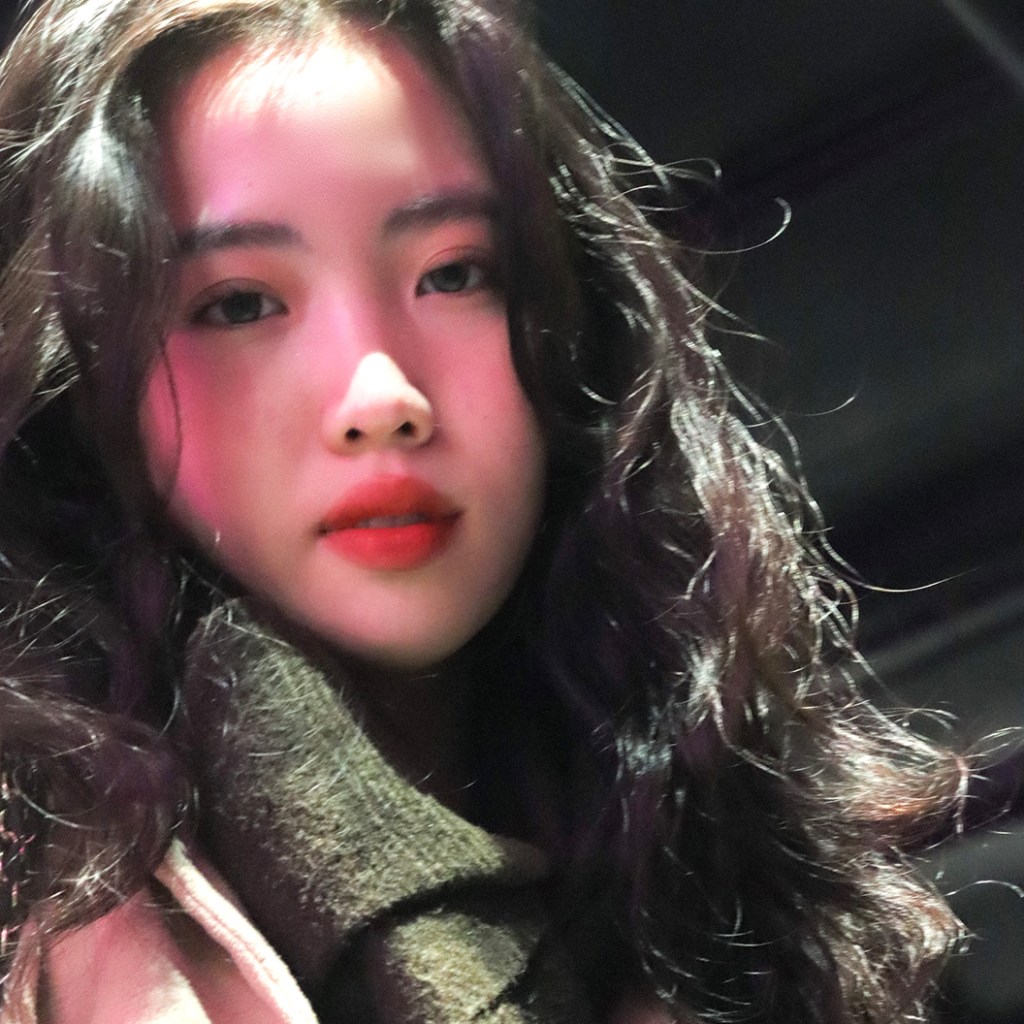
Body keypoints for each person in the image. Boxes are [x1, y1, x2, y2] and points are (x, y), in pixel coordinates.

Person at [0, 0, 963, 1021]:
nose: (382, 398)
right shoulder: (35, 923)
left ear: (573, 327)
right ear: (74, 383)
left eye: (453, 274)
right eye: (238, 303)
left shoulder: (751, 901)